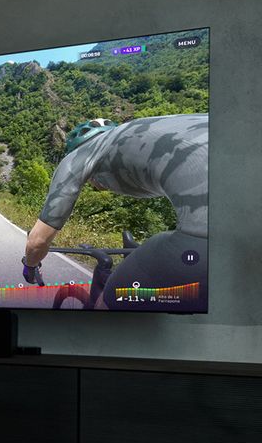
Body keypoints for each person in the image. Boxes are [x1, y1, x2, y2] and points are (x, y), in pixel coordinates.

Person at [20, 115, 208, 310]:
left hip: (210, 238)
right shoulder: (141, 131)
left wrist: (30, 266)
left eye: (91, 182)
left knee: (111, 300)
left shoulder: (77, 157)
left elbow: (38, 241)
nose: (95, 186)